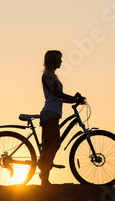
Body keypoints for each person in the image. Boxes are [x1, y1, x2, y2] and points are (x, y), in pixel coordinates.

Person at [39, 50, 85, 185]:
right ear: (52, 60)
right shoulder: (47, 75)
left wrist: (73, 99)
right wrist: (73, 99)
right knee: (55, 143)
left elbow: (58, 96)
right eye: (59, 59)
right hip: (50, 113)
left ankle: (44, 179)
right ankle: (44, 174)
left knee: (47, 147)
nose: (61, 61)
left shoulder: (52, 75)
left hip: (52, 113)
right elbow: (56, 93)